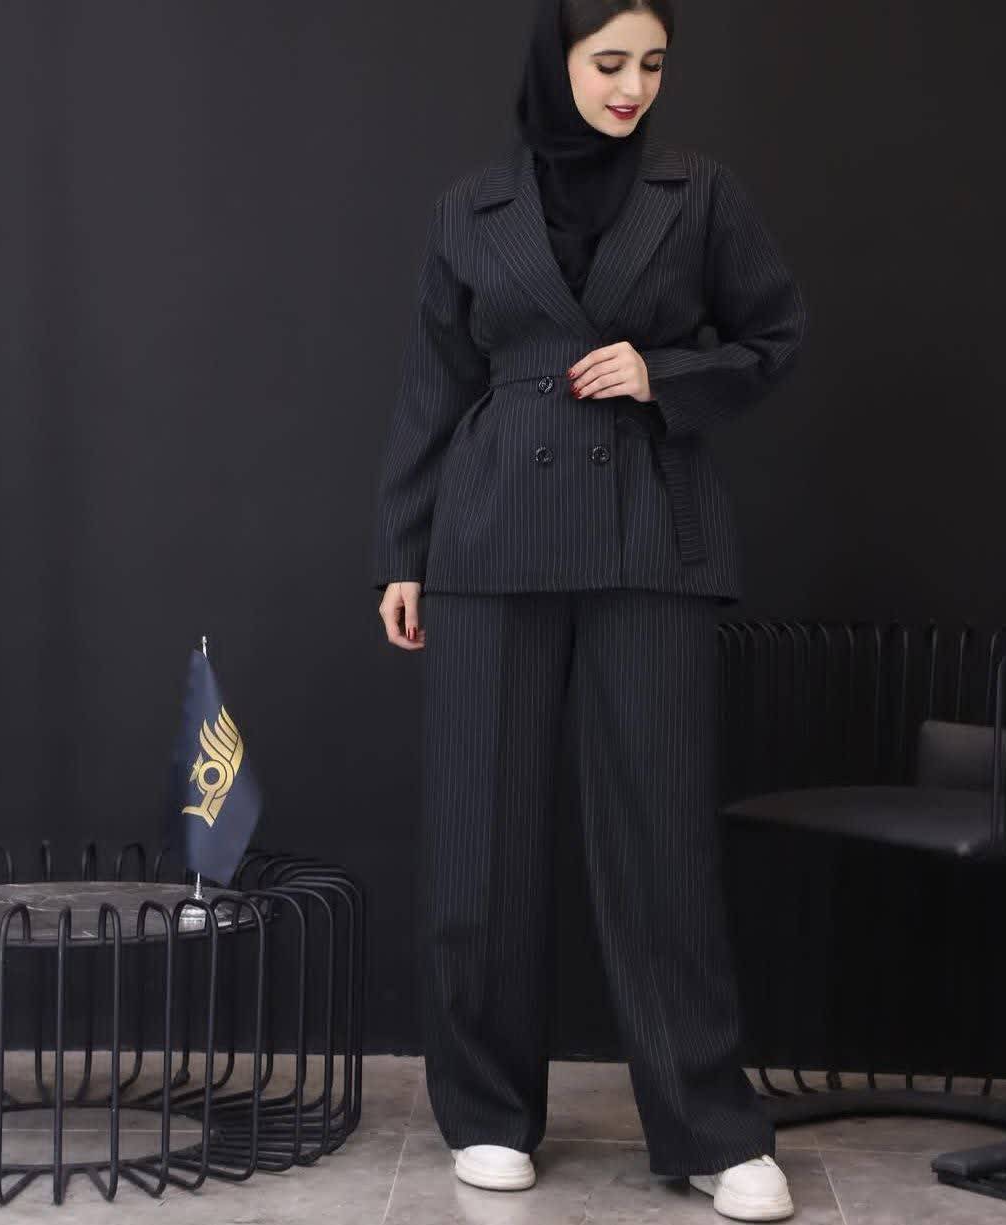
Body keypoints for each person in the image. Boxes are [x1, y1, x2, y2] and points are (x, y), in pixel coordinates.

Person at [371, 0, 806, 1219]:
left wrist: (665, 372)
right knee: (481, 836)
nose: (632, 86)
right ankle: (487, 1111)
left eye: (653, 64)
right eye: (609, 61)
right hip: (489, 534)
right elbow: (431, 381)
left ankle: (711, 1127)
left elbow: (775, 332)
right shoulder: (471, 207)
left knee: (662, 839)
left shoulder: (698, 192)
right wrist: (401, 551)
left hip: (649, 532)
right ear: (554, 61)